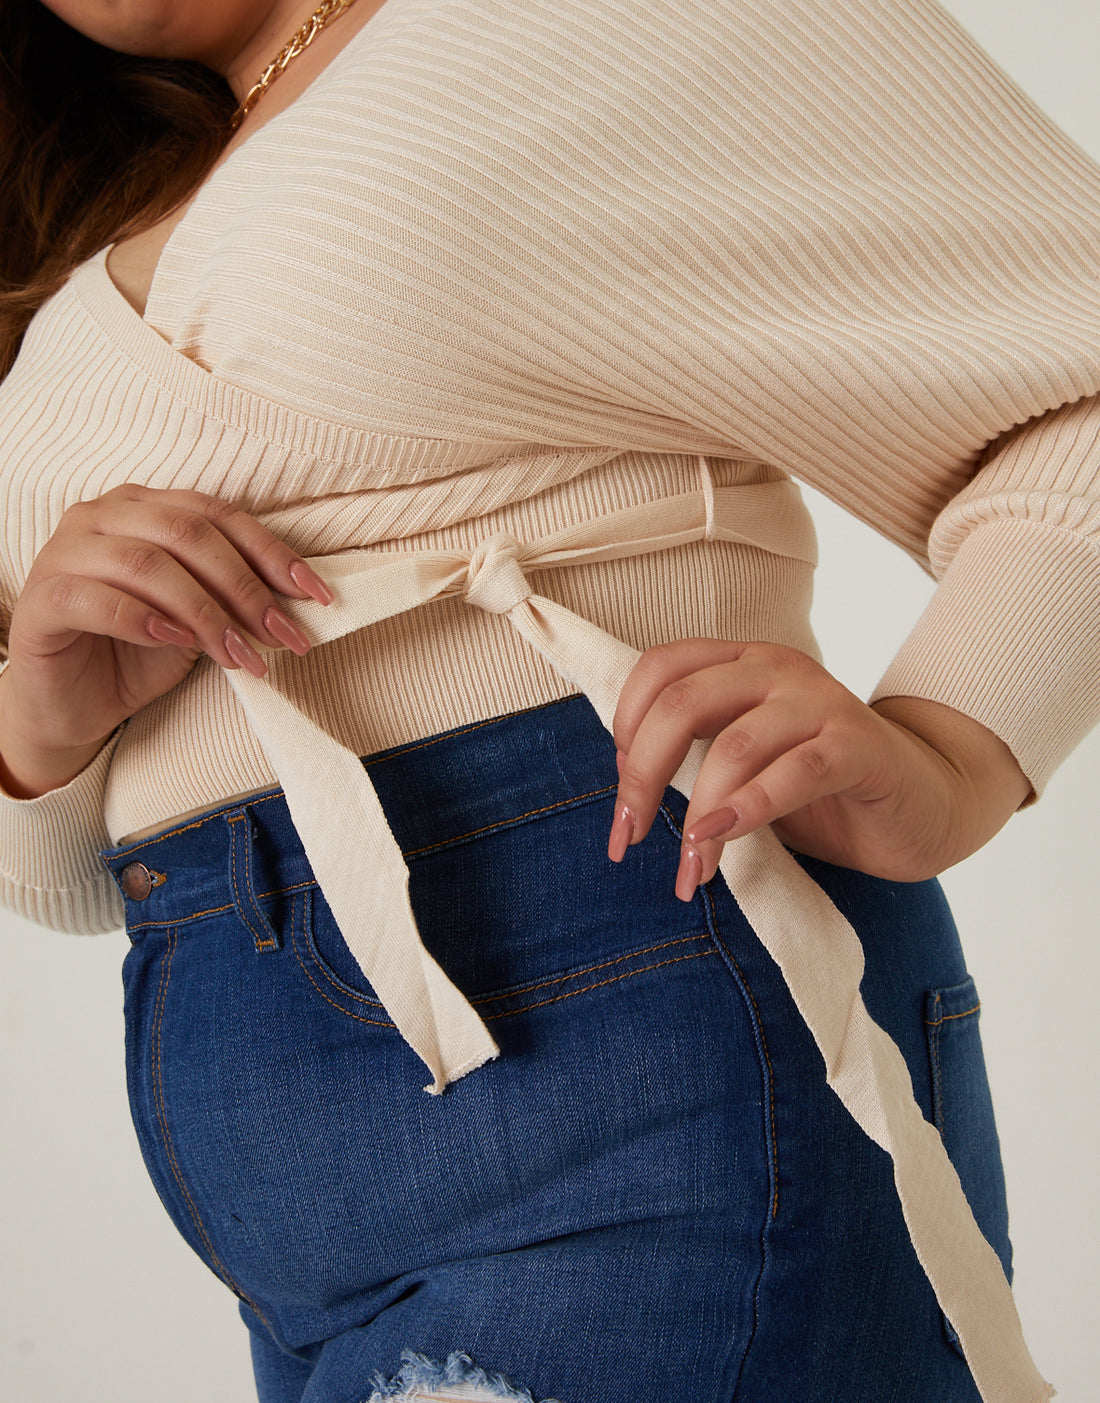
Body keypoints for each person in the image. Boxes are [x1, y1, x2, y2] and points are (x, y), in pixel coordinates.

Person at [0, 0, 1096, 1399]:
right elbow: (64, 884)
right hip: (253, 1130)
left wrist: (959, 745)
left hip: (641, 1046)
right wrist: (44, 722)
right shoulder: (88, 210)